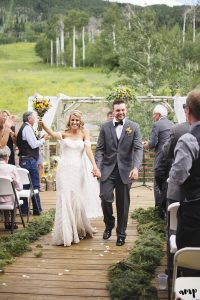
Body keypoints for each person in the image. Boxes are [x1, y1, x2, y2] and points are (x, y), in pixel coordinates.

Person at [40, 110, 102, 247]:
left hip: (78, 170)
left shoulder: (84, 133)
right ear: (69, 121)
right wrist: (43, 125)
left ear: (80, 122)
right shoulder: (63, 133)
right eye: (72, 120)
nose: (74, 122)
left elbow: (88, 150)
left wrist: (95, 166)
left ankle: (79, 227)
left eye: (77, 120)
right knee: (65, 199)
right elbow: (51, 133)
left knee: (76, 199)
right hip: (64, 171)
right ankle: (66, 233)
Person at [95, 99, 143, 246]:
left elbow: (139, 148)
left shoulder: (134, 127)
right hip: (107, 170)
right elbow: (100, 149)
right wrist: (97, 167)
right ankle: (109, 223)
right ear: (113, 111)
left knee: (123, 204)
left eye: (123, 110)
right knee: (105, 197)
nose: (120, 112)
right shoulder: (105, 127)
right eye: (118, 110)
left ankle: (121, 234)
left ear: (126, 110)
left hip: (125, 171)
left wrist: (135, 168)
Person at [168, 90, 200, 250]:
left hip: (195, 211)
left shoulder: (189, 139)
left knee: (190, 258)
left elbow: (178, 175)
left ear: (187, 110)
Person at [16, 111, 49, 215]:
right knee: (35, 185)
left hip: (25, 160)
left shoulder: (24, 128)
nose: (34, 120)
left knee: (25, 186)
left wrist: (39, 138)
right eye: (33, 118)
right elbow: (34, 144)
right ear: (29, 118)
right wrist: (44, 139)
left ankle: (24, 211)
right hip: (29, 160)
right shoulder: (27, 128)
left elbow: (30, 143)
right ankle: (37, 210)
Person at [143, 104, 174, 213]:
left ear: (158, 114)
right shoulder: (172, 124)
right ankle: (167, 209)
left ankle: (159, 209)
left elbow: (153, 143)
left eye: (153, 114)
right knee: (167, 183)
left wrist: (146, 145)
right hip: (171, 159)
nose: (153, 117)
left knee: (157, 184)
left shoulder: (157, 124)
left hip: (160, 158)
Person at [0, 146, 22, 229]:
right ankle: (13, 222)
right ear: (7, 157)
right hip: (10, 200)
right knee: (13, 194)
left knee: (6, 196)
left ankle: (6, 221)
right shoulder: (12, 168)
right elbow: (19, 187)